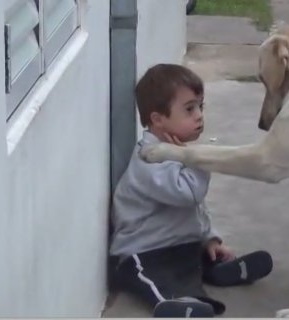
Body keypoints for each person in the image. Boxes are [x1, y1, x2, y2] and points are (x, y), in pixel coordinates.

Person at [109, 63, 273, 318]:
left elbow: (196, 210)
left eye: (200, 106)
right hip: (143, 252)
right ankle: (174, 304)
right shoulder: (149, 159)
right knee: (158, 280)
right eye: (189, 109)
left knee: (192, 261)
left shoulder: (179, 153)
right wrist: (201, 159)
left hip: (180, 246)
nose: (199, 115)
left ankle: (218, 268)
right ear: (157, 119)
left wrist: (210, 237)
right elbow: (188, 194)